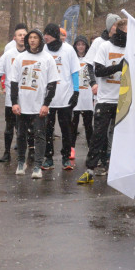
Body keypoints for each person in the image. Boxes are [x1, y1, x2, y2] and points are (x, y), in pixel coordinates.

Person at [79, 18, 127, 184]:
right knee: (99, 135)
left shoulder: (132, 48)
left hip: (125, 99)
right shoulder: (105, 46)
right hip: (106, 98)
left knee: (123, 136)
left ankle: (120, 168)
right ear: (118, 31)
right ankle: (90, 169)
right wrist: (118, 67)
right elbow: (98, 70)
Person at [10, 29, 58, 179]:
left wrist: (46, 104)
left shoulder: (48, 58)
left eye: (35, 38)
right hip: (22, 105)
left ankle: (37, 166)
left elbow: (52, 84)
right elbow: (14, 82)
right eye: (30, 38)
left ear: (40, 40)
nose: (31, 40)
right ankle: (20, 163)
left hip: (38, 106)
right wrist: (14, 102)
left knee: (39, 136)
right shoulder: (20, 58)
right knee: (21, 136)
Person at [42, 23, 80, 171]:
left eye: (48, 34)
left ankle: (65, 158)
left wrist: (76, 92)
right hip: (48, 98)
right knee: (48, 130)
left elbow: (75, 71)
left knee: (66, 129)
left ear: (55, 35)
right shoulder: (43, 50)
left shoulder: (68, 50)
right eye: (44, 34)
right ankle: (48, 157)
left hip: (65, 96)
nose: (45, 37)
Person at [0, 34, 26, 162]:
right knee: (9, 126)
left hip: (28, 97)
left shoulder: (32, 54)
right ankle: (7, 153)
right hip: (11, 97)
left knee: (26, 127)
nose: (22, 37)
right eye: (19, 35)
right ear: (14, 38)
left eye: (24, 35)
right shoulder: (8, 54)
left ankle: (29, 153)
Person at [71, 36, 95, 160]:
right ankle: (71, 148)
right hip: (76, 97)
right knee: (73, 125)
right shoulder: (72, 58)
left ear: (86, 46)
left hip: (87, 96)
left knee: (88, 125)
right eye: (78, 44)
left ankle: (91, 148)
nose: (80, 47)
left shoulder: (90, 60)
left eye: (83, 44)